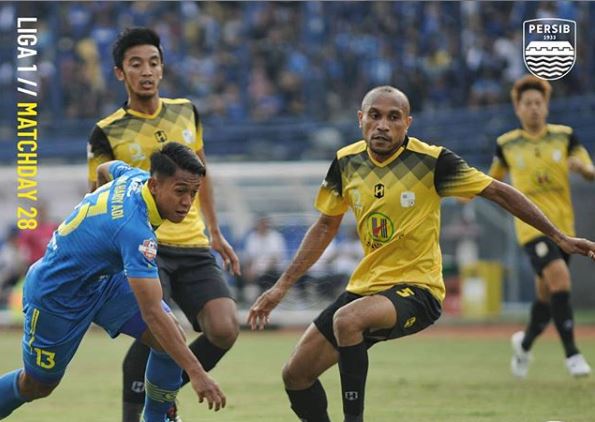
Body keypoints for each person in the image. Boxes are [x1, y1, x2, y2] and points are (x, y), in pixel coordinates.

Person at [247, 85, 595, 422]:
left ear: (407, 123)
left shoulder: (433, 162)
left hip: (419, 289)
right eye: (375, 115)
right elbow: (325, 226)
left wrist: (557, 235)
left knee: (347, 320)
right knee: (296, 374)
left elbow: (500, 192)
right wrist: (281, 287)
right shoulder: (346, 162)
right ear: (360, 119)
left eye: (394, 117)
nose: (383, 124)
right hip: (367, 287)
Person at [0, 143, 226, 421]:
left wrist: (94, 205)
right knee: (37, 385)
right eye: (180, 191)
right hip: (57, 296)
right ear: (155, 185)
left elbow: (106, 168)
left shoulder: (134, 177)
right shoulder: (135, 231)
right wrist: (197, 373)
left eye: (193, 193)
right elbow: (152, 312)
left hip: (101, 283)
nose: (187, 202)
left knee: (170, 339)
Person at [86, 28, 240, 422]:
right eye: (136, 64)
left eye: (153, 62)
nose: (147, 71)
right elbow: (96, 191)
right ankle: (145, 410)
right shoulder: (107, 130)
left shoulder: (186, 110)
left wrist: (216, 232)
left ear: (163, 67)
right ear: (120, 73)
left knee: (224, 329)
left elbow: (202, 175)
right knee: (161, 331)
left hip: (193, 245)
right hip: (144, 246)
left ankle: (165, 392)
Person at [488, 75, 595, 379]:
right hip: (531, 228)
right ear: (517, 108)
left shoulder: (565, 136)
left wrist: (584, 168)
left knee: (547, 297)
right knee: (560, 280)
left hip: (565, 229)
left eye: (538, 103)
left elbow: (589, 170)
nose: (534, 108)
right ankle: (573, 354)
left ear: (546, 106)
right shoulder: (506, 144)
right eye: (527, 103)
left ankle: (524, 344)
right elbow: (490, 182)